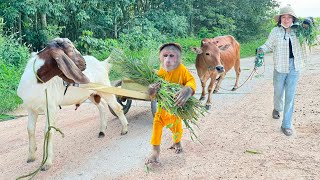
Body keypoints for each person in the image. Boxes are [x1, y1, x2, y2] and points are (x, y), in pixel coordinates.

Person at [257, 5, 308, 136]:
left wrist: (308, 24)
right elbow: (268, 44)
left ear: (293, 19)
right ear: (280, 19)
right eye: (284, 17)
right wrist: (261, 49)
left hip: (294, 67)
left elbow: (309, 34)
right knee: (278, 93)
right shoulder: (275, 31)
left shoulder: (299, 31)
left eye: (289, 17)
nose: (286, 20)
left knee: (290, 96)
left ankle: (286, 125)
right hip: (280, 67)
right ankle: (277, 108)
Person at [145, 43, 196, 165]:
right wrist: (151, 90)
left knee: (176, 127)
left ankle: (177, 142)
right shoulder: (160, 72)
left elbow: (191, 81)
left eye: (171, 56)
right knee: (156, 127)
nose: (167, 60)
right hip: (162, 109)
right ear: (160, 58)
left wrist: (187, 89)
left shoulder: (182, 70)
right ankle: (155, 152)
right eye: (165, 56)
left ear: (178, 58)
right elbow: (152, 95)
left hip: (175, 108)